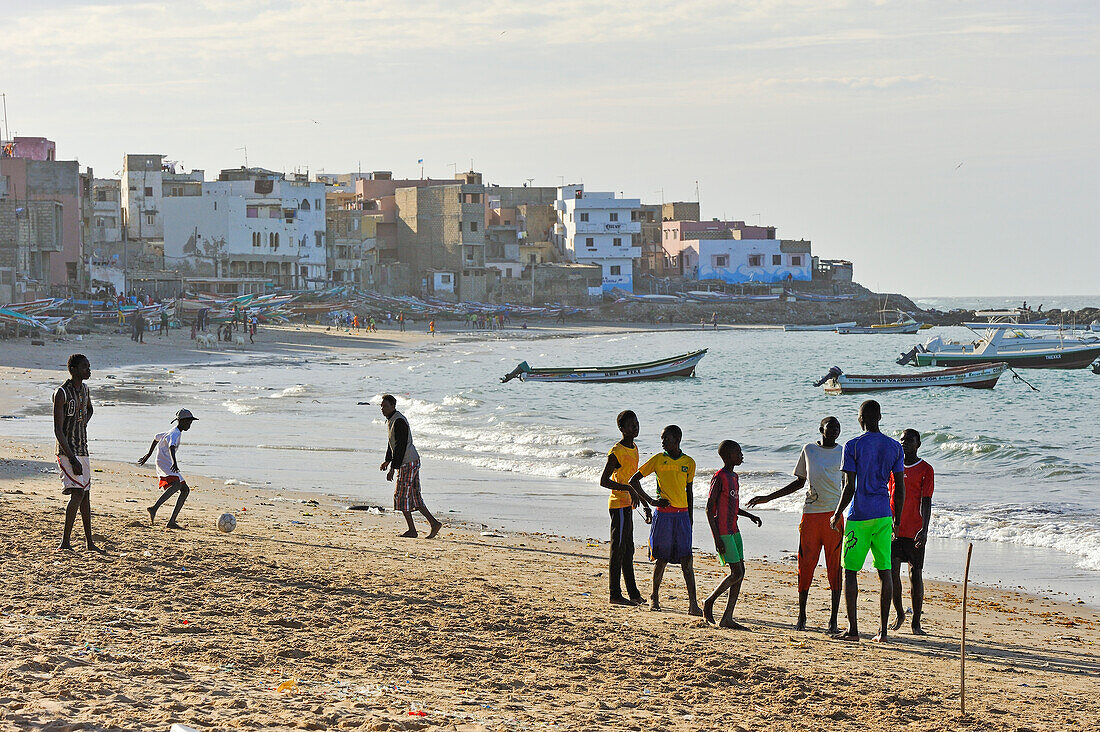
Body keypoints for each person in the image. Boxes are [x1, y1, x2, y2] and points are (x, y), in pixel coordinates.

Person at [747, 416, 845, 632]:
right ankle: (801, 617)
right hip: (810, 516)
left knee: (834, 568)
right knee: (805, 566)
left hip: (834, 518)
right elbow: (799, 483)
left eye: (838, 427)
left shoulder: (844, 452)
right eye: (830, 427)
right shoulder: (809, 450)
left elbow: (849, 486)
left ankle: (833, 621)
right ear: (821, 429)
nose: (834, 430)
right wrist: (767, 498)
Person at [830, 400, 905, 642]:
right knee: (885, 571)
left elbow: (849, 486)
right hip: (884, 515)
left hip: (859, 516)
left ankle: (853, 629)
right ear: (880, 417)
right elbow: (900, 487)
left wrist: (836, 513)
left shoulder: (852, 446)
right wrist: (897, 518)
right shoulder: (894, 447)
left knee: (850, 571)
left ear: (859, 418)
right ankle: (882, 631)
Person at [629, 425, 701, 615]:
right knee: (662, 559)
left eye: (666, 439)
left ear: (677, 440)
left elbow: (690, 491)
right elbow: (633, 480)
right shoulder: (658, 460)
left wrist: (690, 518)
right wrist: (651, 501)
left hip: (683, 516)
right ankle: (654, 597)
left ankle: (693, 604)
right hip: (664, 515)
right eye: (662, 439)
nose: (662, 442)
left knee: (687, 560)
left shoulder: (689, 462)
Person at [704, 440, 762, 628]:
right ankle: (709, 601)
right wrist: (716, 538)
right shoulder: (719, 477)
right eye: (738, 452)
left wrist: (750, 516)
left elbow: (733, 507)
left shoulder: (735, 477)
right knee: (736, 571)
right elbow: (709, 508)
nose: (741, 455)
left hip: (734, 529)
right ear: (728, 456)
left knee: (740, 572)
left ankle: (727, 617)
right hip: (723, 531)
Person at [599, 410, 654, 606]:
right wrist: (628, 489)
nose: (636, 427)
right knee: (618, 550)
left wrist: (645, 504)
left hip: (628, 505)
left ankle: (633, 594)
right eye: (631, 424)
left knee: (628, 550)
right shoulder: (616, 452)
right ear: (621, 428)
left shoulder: (634, 448)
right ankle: (615, 594)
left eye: (637, 423)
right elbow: (604, 481)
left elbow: (633, 481)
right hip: (618, 506)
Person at [889, 429, 934, 635]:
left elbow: (926, 501)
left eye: (909, 440)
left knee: (915, 575)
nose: (904, 443)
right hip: (894, 530)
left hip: (915, 530)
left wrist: (924, 529)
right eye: (902, 440)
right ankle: (899, 613)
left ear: (919, 444)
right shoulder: (893, 467)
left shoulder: (926, 469)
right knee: (892, 575)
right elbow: (887, 496)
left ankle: (916, 622)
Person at [379, 394, 442, 539]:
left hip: (408, 462)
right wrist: (387, 460)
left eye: (386, 406)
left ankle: (412, 530)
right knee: (415, 497)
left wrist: (392, 469)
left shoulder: (399, 421)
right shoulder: (391, 420)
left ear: (393, 406)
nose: (383, 409)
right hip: (410, 461)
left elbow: (400, 447)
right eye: (381, 406)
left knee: (401, 497)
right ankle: (434, 523)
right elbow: (392, 444)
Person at [54, 354, 99, 552]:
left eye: (89, 367)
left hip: (83, 448)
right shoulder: (62, 393)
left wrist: (82, 423)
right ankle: (65, 542)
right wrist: (72, 458)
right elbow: (57, 429)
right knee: (78, 493)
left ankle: (90, 544)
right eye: (84, 367)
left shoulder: (86, 390)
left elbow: (89, 410)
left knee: (86, 495)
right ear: (73, 369)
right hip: (67, 450)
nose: (88, 370)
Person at [138, 409, 198, 529]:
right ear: (180, 421)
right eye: (187, 422)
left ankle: (170, 521)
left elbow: (156, 437)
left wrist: (148, 455)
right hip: (166, 463)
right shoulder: (175, 433)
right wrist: (175, 463)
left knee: (185, 490)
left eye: (190, 422)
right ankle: (155, 509)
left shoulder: (172, 432)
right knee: (177, 485)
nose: (189, 425)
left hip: (164, 462)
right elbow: (171, 447)